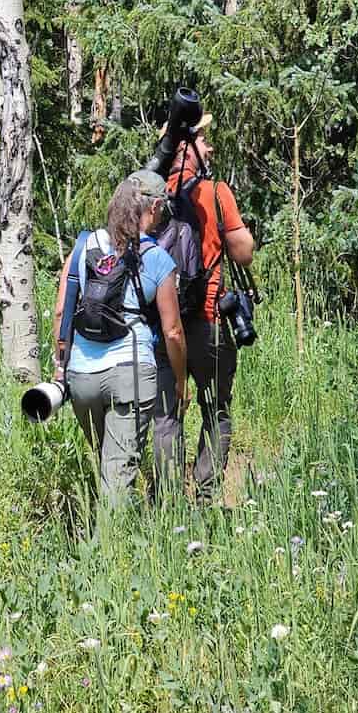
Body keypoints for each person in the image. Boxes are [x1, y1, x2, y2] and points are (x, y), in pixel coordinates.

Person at [51, 170, 187, 505]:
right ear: (154, 207)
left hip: (81, 376)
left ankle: (104, 526)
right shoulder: (157, 258)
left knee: (107, 462)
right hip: (131, 374)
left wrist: (61, 365)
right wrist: (181, 380)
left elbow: (61, 311)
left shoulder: (84, 245)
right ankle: (110, 538)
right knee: (117, 475)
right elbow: (172, 331)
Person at [153, 115, 255, 503]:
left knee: (167, 413)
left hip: (164, 324)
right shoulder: (215, 192)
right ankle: (205, 495)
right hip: (209, 320)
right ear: (186, 147)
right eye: (204, 140)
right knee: (216, 409)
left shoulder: (152, 193)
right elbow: (243, 254)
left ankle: (167, 501)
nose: (209, 148)